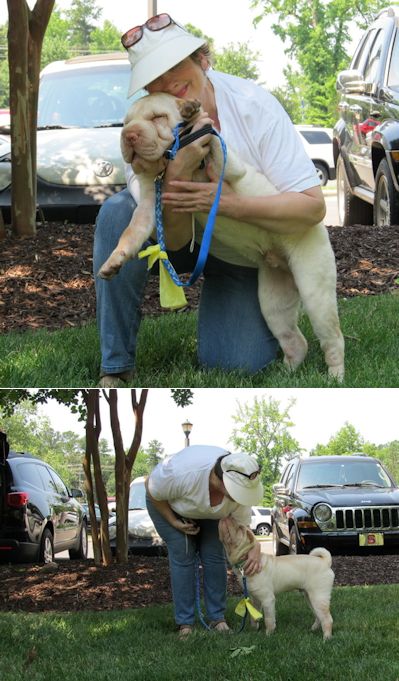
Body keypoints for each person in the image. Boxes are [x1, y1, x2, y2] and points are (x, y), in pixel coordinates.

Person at [93, 14, 326, 387]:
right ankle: (116, 367)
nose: (166, 83)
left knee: (233, 365)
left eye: (175, 67)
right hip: (184, 240)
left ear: (204, 60)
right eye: (154, 79)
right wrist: (178, 173)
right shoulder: (141, 126)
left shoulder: (254, 105)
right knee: (117, 212)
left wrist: (222, 202)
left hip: (246, 252)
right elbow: (176, 242)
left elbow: (313, 207)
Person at [145, 446, 264, 637]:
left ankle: (217, 618)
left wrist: (255, 546)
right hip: (171, 508)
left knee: (214, 556)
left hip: (212, 513)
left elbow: (242, 526)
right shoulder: (181, 473)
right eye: (238, 491)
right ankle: (185, 623)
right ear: (222, 480)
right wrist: (173, 521)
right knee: (184, 555)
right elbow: (151, 489)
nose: (241, 496)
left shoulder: (242, 483)